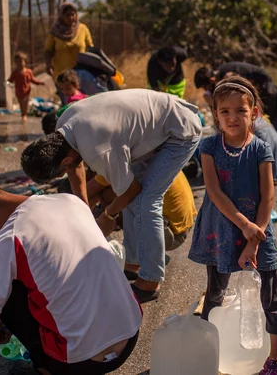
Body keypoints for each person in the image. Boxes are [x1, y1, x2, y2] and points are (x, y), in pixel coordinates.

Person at [20, 90, 202, 302]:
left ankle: (151, 281)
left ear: (63, 161)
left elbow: (130, 190)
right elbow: (75, 167)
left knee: (146, 200)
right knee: (133, 198)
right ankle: (134, 262)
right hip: (157, 126)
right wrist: (83, 215)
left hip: (179, 131)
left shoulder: (99, 151)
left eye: (61, 171)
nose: (65, 172)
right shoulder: (64, 127)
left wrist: (107, 216)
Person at [0, 182, 141, 375]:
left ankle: (46, 367)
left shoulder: (6, 239)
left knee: (7, 289)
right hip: (130, 335)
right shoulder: (71, 201)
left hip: (82, 362)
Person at [188, 76, 277, 375]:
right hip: (223, 228)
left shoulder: (260, 149)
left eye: (240, 111)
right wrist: (244, 225)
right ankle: (207, 352)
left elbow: (268, 196)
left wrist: (253, 238)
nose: (233, 117)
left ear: (254, 113)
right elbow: (214, 192)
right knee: (215, 293)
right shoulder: (208, 147)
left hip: (259, 231)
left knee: (271, 295)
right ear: (215, 115)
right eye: (225, 111)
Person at [195, 62, 277, 136]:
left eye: (205, 87)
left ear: (211, 80)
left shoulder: (228, 78)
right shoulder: (220, 75)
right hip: (266, 97)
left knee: (268, 136)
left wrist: (212, 103)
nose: (206, 91)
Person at [45, 2, 94, 77]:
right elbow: (48, 50)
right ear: (62, 16)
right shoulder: (54, 31)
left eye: (72, 14)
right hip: (61, 75)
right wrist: (48, 65)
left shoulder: (83, 29)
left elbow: (91, 48)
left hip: (80, 73)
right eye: (67, 15)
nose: (70, 18)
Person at [8, 52, 43, 122]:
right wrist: (8, 83)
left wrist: (39, 83)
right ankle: (23, 114)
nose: (19, 63)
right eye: (17, 62)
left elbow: (32, 79)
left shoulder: (28, 71)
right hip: (18, 91)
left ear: (24, 61)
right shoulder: (15, 72)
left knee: (25, 103)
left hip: (26, 90)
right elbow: (10, 80)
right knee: (21, 103)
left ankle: (24, 115)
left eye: (21, 61)